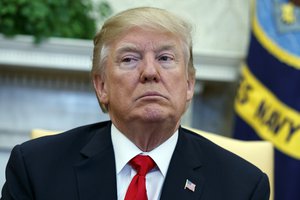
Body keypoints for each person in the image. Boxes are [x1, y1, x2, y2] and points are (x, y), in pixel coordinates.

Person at [1, 7, 270, 200]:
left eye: (165, 58)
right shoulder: (36, 168)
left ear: (188, 84)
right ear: (102, 85)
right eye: (129, 59)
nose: (150, 72)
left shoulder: (242, 186)